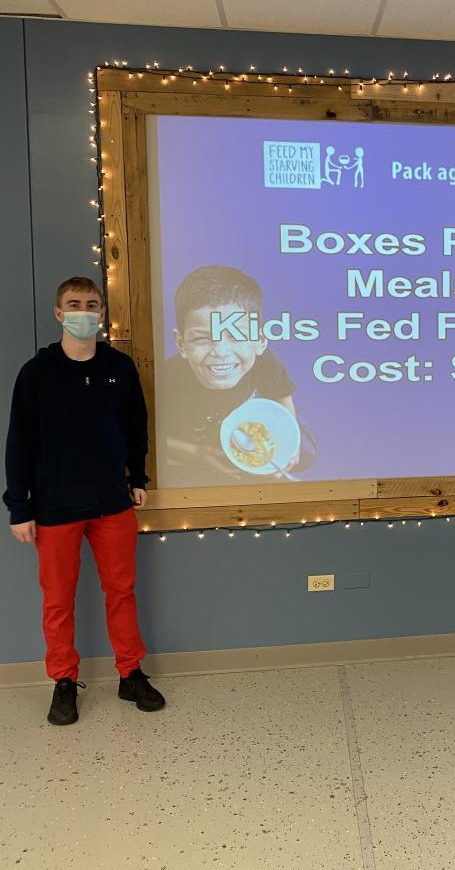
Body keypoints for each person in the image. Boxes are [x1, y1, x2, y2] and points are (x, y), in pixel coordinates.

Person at [3, 276, 165, 725]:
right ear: (59, 313)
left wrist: (138, 476)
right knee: (58, 600)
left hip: (113, 503)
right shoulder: (36, 373)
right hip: (54, 509)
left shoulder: (120, 367)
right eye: (74, 305)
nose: (83, 312)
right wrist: (19, 506)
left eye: (91, 304)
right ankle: (63, 680)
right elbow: (19, 443)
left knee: (122, 592)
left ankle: (130, 672)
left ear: (101, 314)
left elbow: (136, 425)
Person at [157, 265, 309, 486]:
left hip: (240, 441)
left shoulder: (265, 361)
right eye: (202, 338)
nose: (220, 352)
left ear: (260, 341)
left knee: (306, 452)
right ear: (181, 344)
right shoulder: (165, 379)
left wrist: (290, 442)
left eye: (237, 336)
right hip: (187, 450)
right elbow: (145, 439)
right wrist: (196, 454)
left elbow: (281, 393)